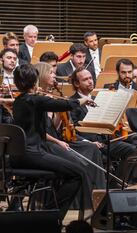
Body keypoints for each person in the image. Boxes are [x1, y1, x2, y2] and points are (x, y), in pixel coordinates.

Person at [11, 64, 93, 220]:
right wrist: (83, 100)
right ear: (35, 81)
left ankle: (48, 213)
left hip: (18, 155)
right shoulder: (35, 100)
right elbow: (66, 104)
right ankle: (50, 216)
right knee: (79, 173)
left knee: (67, 171)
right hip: (33, 154)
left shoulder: (19, 101)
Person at [69, 67, 137, 187]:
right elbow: (72, 130)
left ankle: (115, 183)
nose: (90, 81)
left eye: (91, 78)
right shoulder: (72, 102)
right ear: (76, 83)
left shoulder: (99, 99)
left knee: (134, 151)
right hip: (89, 145)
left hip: (105, 141)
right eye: (85, 79)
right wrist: (88, 142)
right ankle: (110, 186)